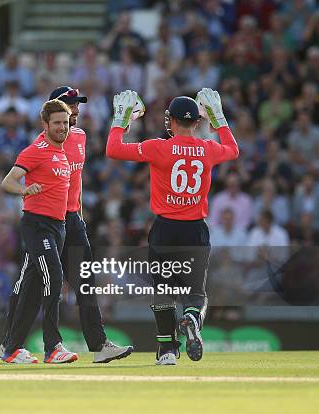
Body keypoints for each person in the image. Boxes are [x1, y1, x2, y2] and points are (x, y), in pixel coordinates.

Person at [0, 86, 134, 363]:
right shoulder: (44, 143)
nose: (76, 110)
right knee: (31, 285)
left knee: (85, 281)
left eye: (77, 105)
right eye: (70, 105)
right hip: (44, 218)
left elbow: (77, 180)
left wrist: (80, 216)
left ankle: (99, 346)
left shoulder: (80, 137)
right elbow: (20, 176)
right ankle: (9, 344)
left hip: (71, 219)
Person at [105, 88, 239, 365]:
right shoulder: (208, 149)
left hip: (165, 229)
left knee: (163, 290)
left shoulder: (158, 147)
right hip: (195, 229)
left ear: (173, 121)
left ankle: (167, 351)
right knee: (195, 293)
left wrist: (120, 120)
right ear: (197, 122)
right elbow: (233, 150)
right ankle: (191, 318)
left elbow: (113, 150)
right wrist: (221, 119)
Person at [0, 99, 76, 364]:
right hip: (37, 225)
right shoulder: (35, 150)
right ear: (45, 124)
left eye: (65, 123)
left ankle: (11, 348)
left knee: (30, 288)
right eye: (56, 123)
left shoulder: (63, 153)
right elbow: (7, 182)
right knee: (54, 277)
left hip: (57, 226)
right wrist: (24, 190)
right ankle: (53, 347)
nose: (62, 128)